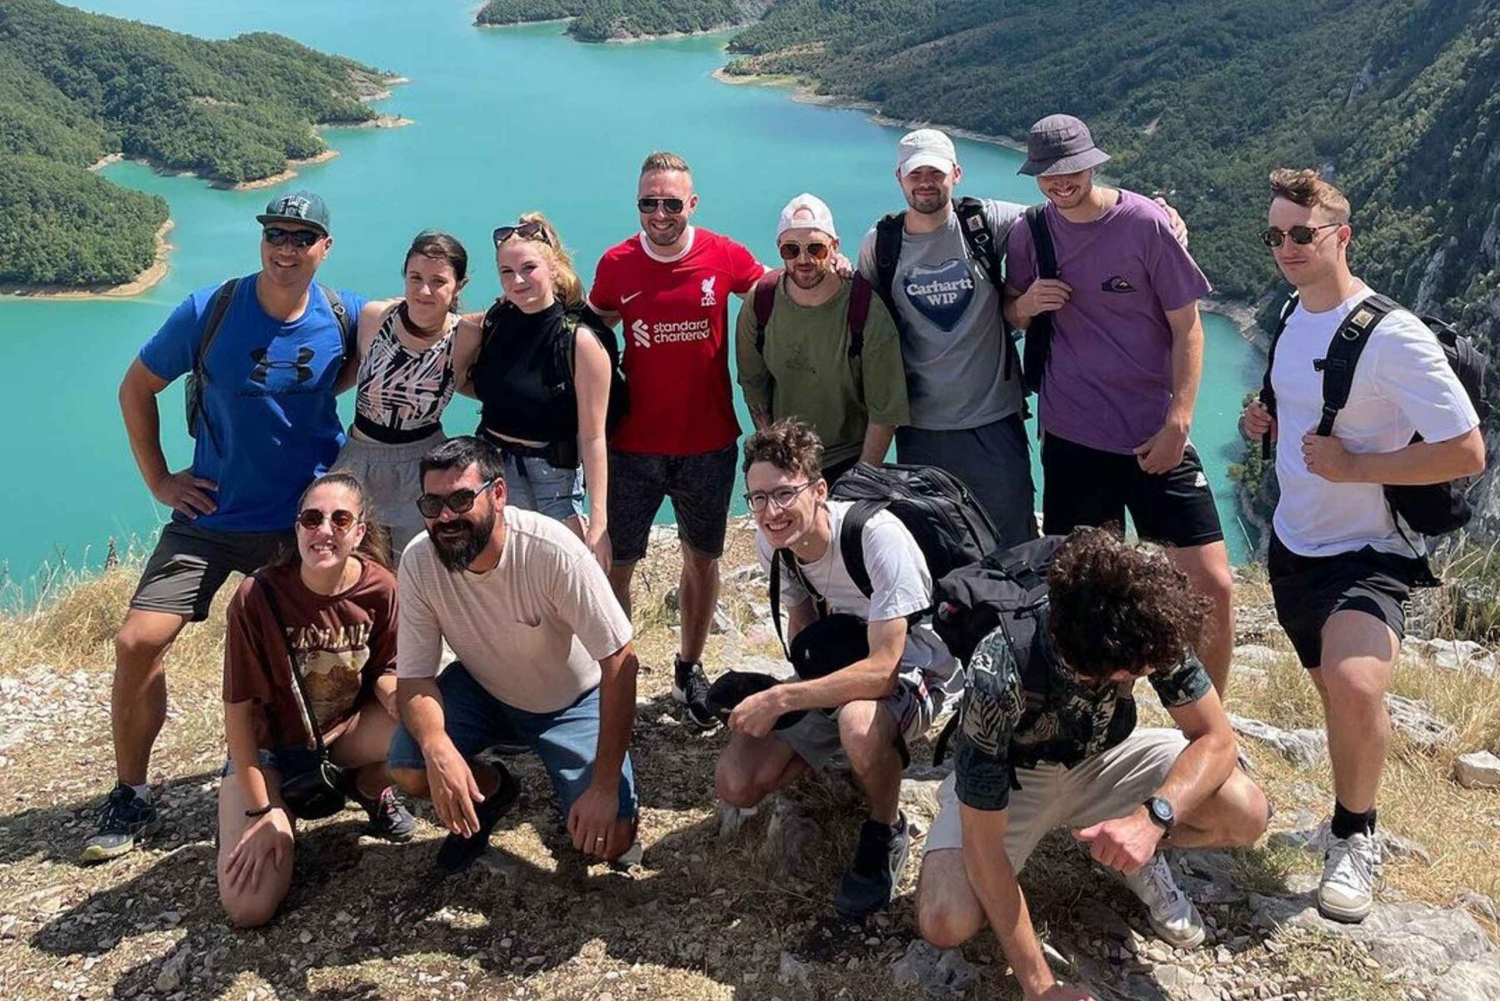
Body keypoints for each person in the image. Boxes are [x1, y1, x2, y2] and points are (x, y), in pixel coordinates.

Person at [89, 191, 367, 863]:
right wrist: (160, 481)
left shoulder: (344, 315)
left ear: (324, 248)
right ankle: (131, 789)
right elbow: (135, 387)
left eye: (303, 236)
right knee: (137, 640)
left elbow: (402, 341)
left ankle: (331, 769)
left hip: (301, 526)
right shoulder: (208, 310)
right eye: (276, 232)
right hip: (209, 517)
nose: (286, 246)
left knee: (321, 652)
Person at [1240, 169, 1483, 922]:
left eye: (1301, 234)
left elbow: (1467, 450)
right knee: (1331, 693)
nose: (1286, 247)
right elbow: (1306, 406)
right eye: (1274, 234)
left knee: (1353, 683)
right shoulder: (1289, 312)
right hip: (1293, 544)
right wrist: (1266, 423)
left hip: (1368, 549)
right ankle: (1342, 811)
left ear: (1341, 236)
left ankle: (1357, 834)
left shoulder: (1394, 335)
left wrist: (1358, 468)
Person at [916, 530, 1269, 999]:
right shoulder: (1000, 669)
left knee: (1244, 811)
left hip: (1103, 761)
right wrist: (1040, 987)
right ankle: (959, 797)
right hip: (1015, 778)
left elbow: (1216, 738)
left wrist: (1153, 818)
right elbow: (983, 849)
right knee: (945, 919)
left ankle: (1132, 854)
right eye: (1128, 676)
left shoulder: (1143, 619)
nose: (1137, 678)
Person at [1003, 114, 1236, 693]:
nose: (1059, 182)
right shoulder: (1030, 234)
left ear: (1093, 162)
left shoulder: (1145, 224)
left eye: (1070, 169)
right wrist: (1027, 303)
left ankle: (1212, 731)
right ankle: (1103, 717)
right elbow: (1009, 313)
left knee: (1212, 583)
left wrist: (1180, 421)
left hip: (1152, 434)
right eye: (1046, 173)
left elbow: (1189, 328)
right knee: (1084, 592)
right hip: (1073, 437)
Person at [715, 419, 958, 917]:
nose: (770, 512)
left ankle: (885, 828)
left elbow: (884, 672)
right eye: (757, 498)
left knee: (857, 723)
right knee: (736, 782)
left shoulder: (877, 537)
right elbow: (805, 626)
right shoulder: (774, 543)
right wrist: (797, 683)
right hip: (844, 661)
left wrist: (783, 699)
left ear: (818, 489)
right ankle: (848, 761)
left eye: (784, 494)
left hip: (916, 671)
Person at [387, 436, 641, 874]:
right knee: (410, 768)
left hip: (572, 701)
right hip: (485, 690)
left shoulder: (552, 551)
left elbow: (620, 660)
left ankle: (584, 782)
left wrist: (603, 787)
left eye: (462, 499)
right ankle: (494, 789)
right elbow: (414, 678)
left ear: (499, 494)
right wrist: (437, 747)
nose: (446, 516)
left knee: (611, 840)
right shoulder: (419, 562)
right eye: (432, 504)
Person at [587, 151, 768, 729]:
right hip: (631, 446)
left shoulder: (725, 256)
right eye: (648, 202)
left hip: (708, 442)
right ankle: (617, 669)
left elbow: (775, 293)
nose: (659, 213)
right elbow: (588, 329)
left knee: (703, 559)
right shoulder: (616, 264)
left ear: (692, 203)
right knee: (617, 564)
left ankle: (689, 668)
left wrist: (828, 264)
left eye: (671, 202)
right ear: (637, 204)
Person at [217, 472, 415, 928]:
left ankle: (368, 788)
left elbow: (388, 669)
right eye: (312, 518)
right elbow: (238, 711)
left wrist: (397, 698)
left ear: (360, 531)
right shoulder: (258, 596)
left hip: (340, 736)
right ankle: (276, 809)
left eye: (340, 519)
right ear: (297, 527)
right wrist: (261, 809)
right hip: (270, 750)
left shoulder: (381, 588)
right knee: (248, 907)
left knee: (426, 723)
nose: (324, 530)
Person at [856, 129, 1036, 547]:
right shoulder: (880, 244)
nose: (925, 182)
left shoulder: (984, 223)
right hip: (919, 427)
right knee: (936, 545)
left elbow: (1064, 213)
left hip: (992, 421)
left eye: (935, 172)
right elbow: (864, 324)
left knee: (1012, 543)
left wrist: (1142, 209)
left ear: (956, 173)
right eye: (915, 172)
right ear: (899, 177)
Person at [459, 214, 613, 569]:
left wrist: (599, 523)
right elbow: (468, 382)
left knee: (564, 579)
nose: (517, 281)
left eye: (529, 268)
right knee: (499, 575)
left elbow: (592, 438)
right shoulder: (491, 326)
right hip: (491, 468)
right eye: (506, 272)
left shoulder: (579, 342)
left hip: (553, 479)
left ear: (554, 269)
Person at [735, 194, 909, 484]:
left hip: (850, 460)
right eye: (791, 249)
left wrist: (861, 482)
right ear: (780, 249)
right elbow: (754, 386)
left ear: (834, 247)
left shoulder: (865, 309)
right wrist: (774, 454)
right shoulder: (761, 303)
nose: (803, 259)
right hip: (786, 459)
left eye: (815, 248)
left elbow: (885, 409)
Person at [335, 231, 475, 556]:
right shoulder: (374, 317)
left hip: (424, 467)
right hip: (359, 460)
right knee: (353, 568)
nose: (424, 290)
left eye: (438, 281)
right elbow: (348, 373)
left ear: (459, 286)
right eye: (415, 277)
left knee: (420, 568)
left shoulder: (467, 337)